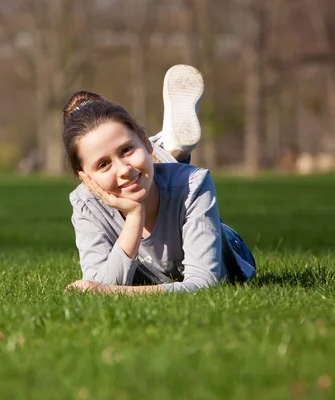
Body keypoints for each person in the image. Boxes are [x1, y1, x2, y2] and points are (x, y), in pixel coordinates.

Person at [63, 64, 256, 294]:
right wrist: (134, 217)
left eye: (126, 150)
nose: (123, 169)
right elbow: (99, 281)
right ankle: (166, 151)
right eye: (103, 164)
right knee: (151, 173)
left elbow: (204, 283)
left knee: (175, 183)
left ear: (144, 141)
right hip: (156, 179)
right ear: (84, 178)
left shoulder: (195, 185)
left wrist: (117, 293)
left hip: (228, 247)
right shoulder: (86, 203)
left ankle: (163, 153)